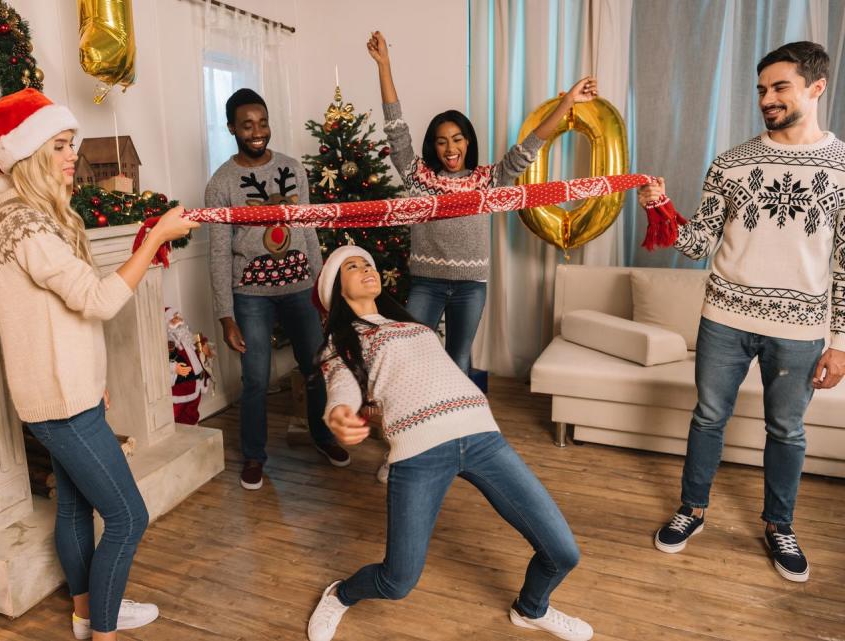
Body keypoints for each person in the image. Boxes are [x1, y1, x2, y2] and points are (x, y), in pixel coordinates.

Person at [0, 88, 197, 640]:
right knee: (127, 516)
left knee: (73, 508)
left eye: (72, 144)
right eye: (63, 145)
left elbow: (57, 317)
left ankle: (87, 615)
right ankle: (105, 633)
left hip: (64, 394)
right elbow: (96, 300)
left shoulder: (26, 218)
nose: (74, 155)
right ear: (30, 154)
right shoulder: (26, 225)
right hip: (62, 403)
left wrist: (92, 383)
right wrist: (157, 236)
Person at [306, 246, 591, 641]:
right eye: (352, 267)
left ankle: (531, 608)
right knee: (397, 582)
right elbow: (341, 385)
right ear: (335, 290)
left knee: (563, 553)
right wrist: (338, 413)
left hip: (483, 439)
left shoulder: (415, 326)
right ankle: (341, 594)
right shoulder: (343, 344)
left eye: (367, 262)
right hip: (420, 453)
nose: (365, 268)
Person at [638, 41, 845, 583]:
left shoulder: (842, 167)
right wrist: (660, 206)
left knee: (788, 431)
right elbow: (697, 245)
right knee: (708, 417)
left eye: (780, 87)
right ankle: (693, 509)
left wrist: (840, 341)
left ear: (816, 88)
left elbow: (844, 265)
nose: (767, 98)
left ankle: (779, 524)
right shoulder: (730, 163)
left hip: (800, 330)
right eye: (761, 89)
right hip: (725, 317)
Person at [367, 30, 597, 482]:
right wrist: (385, 67)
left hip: (471, 286)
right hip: (427, 283)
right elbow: (397, 129)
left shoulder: (490, 180)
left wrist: (568, 100)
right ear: (433, 148)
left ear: (467, 142)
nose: (450, 149)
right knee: (409, 362)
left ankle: (452, 447)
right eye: (441, 142)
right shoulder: (418, 178)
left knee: (458, 365)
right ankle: (400, 449)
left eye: (457, 140)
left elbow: (533, 142)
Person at [206, 88, 350, 491]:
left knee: (316, 366)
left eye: (263, 122)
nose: (257, 131)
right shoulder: (221, 183)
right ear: (232, 127)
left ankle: (324, 437)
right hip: (249, 294)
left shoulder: (293, 169)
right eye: (247, 124)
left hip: (300, 287)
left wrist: (324, 290)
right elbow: (217, 251)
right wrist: (225, 315)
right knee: (254, 378)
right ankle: (254, 456)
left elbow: (306, 230)